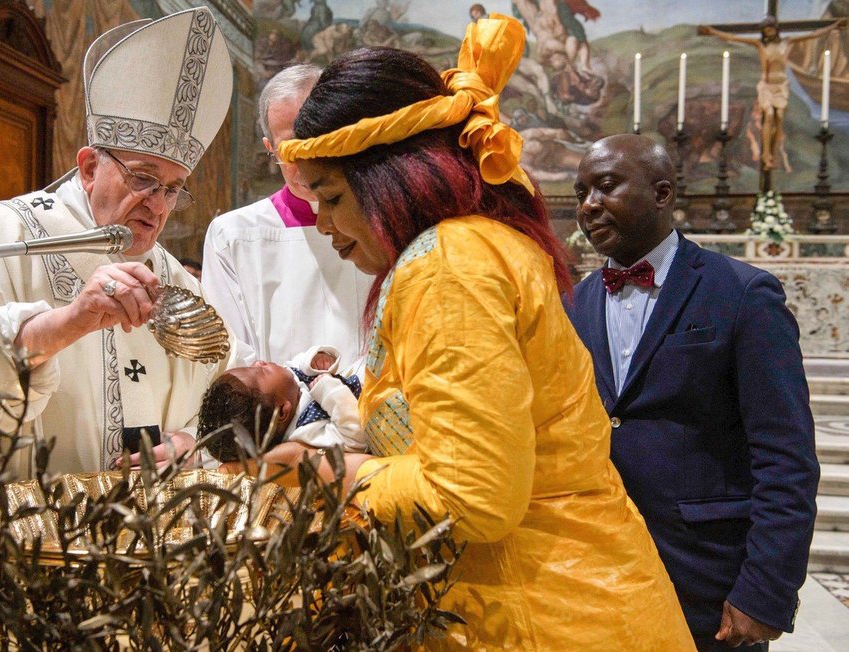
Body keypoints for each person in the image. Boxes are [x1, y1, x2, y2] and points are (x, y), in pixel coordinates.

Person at [257, 15, 695, 648]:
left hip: (545, 614)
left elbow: (473, 495)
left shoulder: (449, 266)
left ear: (389, 177)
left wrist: (328, 471)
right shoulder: (462, 249)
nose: (322, 223)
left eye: (329, 196)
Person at [0, 8, 235, 479]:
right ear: (90, 168)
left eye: (173, 189)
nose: (158, 207)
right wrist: (65, 324)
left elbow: (220, 393)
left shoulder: (176, 279)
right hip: (21, 534)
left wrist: (192, 443)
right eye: (143, 179)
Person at [565, 134, 818, 651]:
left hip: (705, 577)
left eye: (606, 186)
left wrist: (766, 590)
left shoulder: (743, 294)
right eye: (581, 192)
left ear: (662, 193)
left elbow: (786, 457)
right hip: (599, 571)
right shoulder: (574, 303)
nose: (589, 206)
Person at [201, 64, 372, 366]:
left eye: (317, 138)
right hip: (281, 410)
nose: (307, 158)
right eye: (291, 147)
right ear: (271, 149)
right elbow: (230, 354)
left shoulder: (380, 219)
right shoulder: (233, 235)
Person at [699, 16, 846, 172]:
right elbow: (735, 38)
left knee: (779, 119)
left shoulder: (786, 43)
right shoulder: (760, 45)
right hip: (767, 86)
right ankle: (766, 154)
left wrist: (833, 26)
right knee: (768, 116)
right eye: (766, 31)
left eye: (771, 30)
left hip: (781, 86)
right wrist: (713, 31)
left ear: (776, 30)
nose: (768, 33)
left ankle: (773, 152)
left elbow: (812, 34)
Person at [197, 345, 364, 463]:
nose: (259, 362)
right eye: (261, 371)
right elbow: (355, 437)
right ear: (282, 412)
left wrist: (313, 361)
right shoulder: (306, 431)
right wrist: (328, 389)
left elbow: (294, 368)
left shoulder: (287, 391)